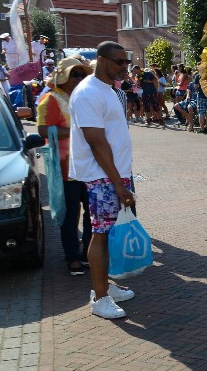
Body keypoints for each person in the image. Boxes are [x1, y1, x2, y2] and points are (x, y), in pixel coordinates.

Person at [69, 42, 137, 319]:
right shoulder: (87, 92)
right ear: (101, 60)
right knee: (100, 233)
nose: (124, 66)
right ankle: (99, 297)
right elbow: (96, 142)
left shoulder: (107, 90)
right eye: (119, 61)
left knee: (110, 233)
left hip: (115, 173)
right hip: (103, 177)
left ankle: (105, 285)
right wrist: (118, 184)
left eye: (126, 62)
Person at [37, 57, 93, 275]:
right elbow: (43, 131)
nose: (79, 78)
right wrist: (76, 132)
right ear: (63, 77)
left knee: (93, 212)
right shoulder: (50, 100)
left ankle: (88, 253)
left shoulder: (85, 98)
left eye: (82, 74)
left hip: (90, 165)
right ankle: (72, 257)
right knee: (70, 214)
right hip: (65, 167)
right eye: (75, 74)